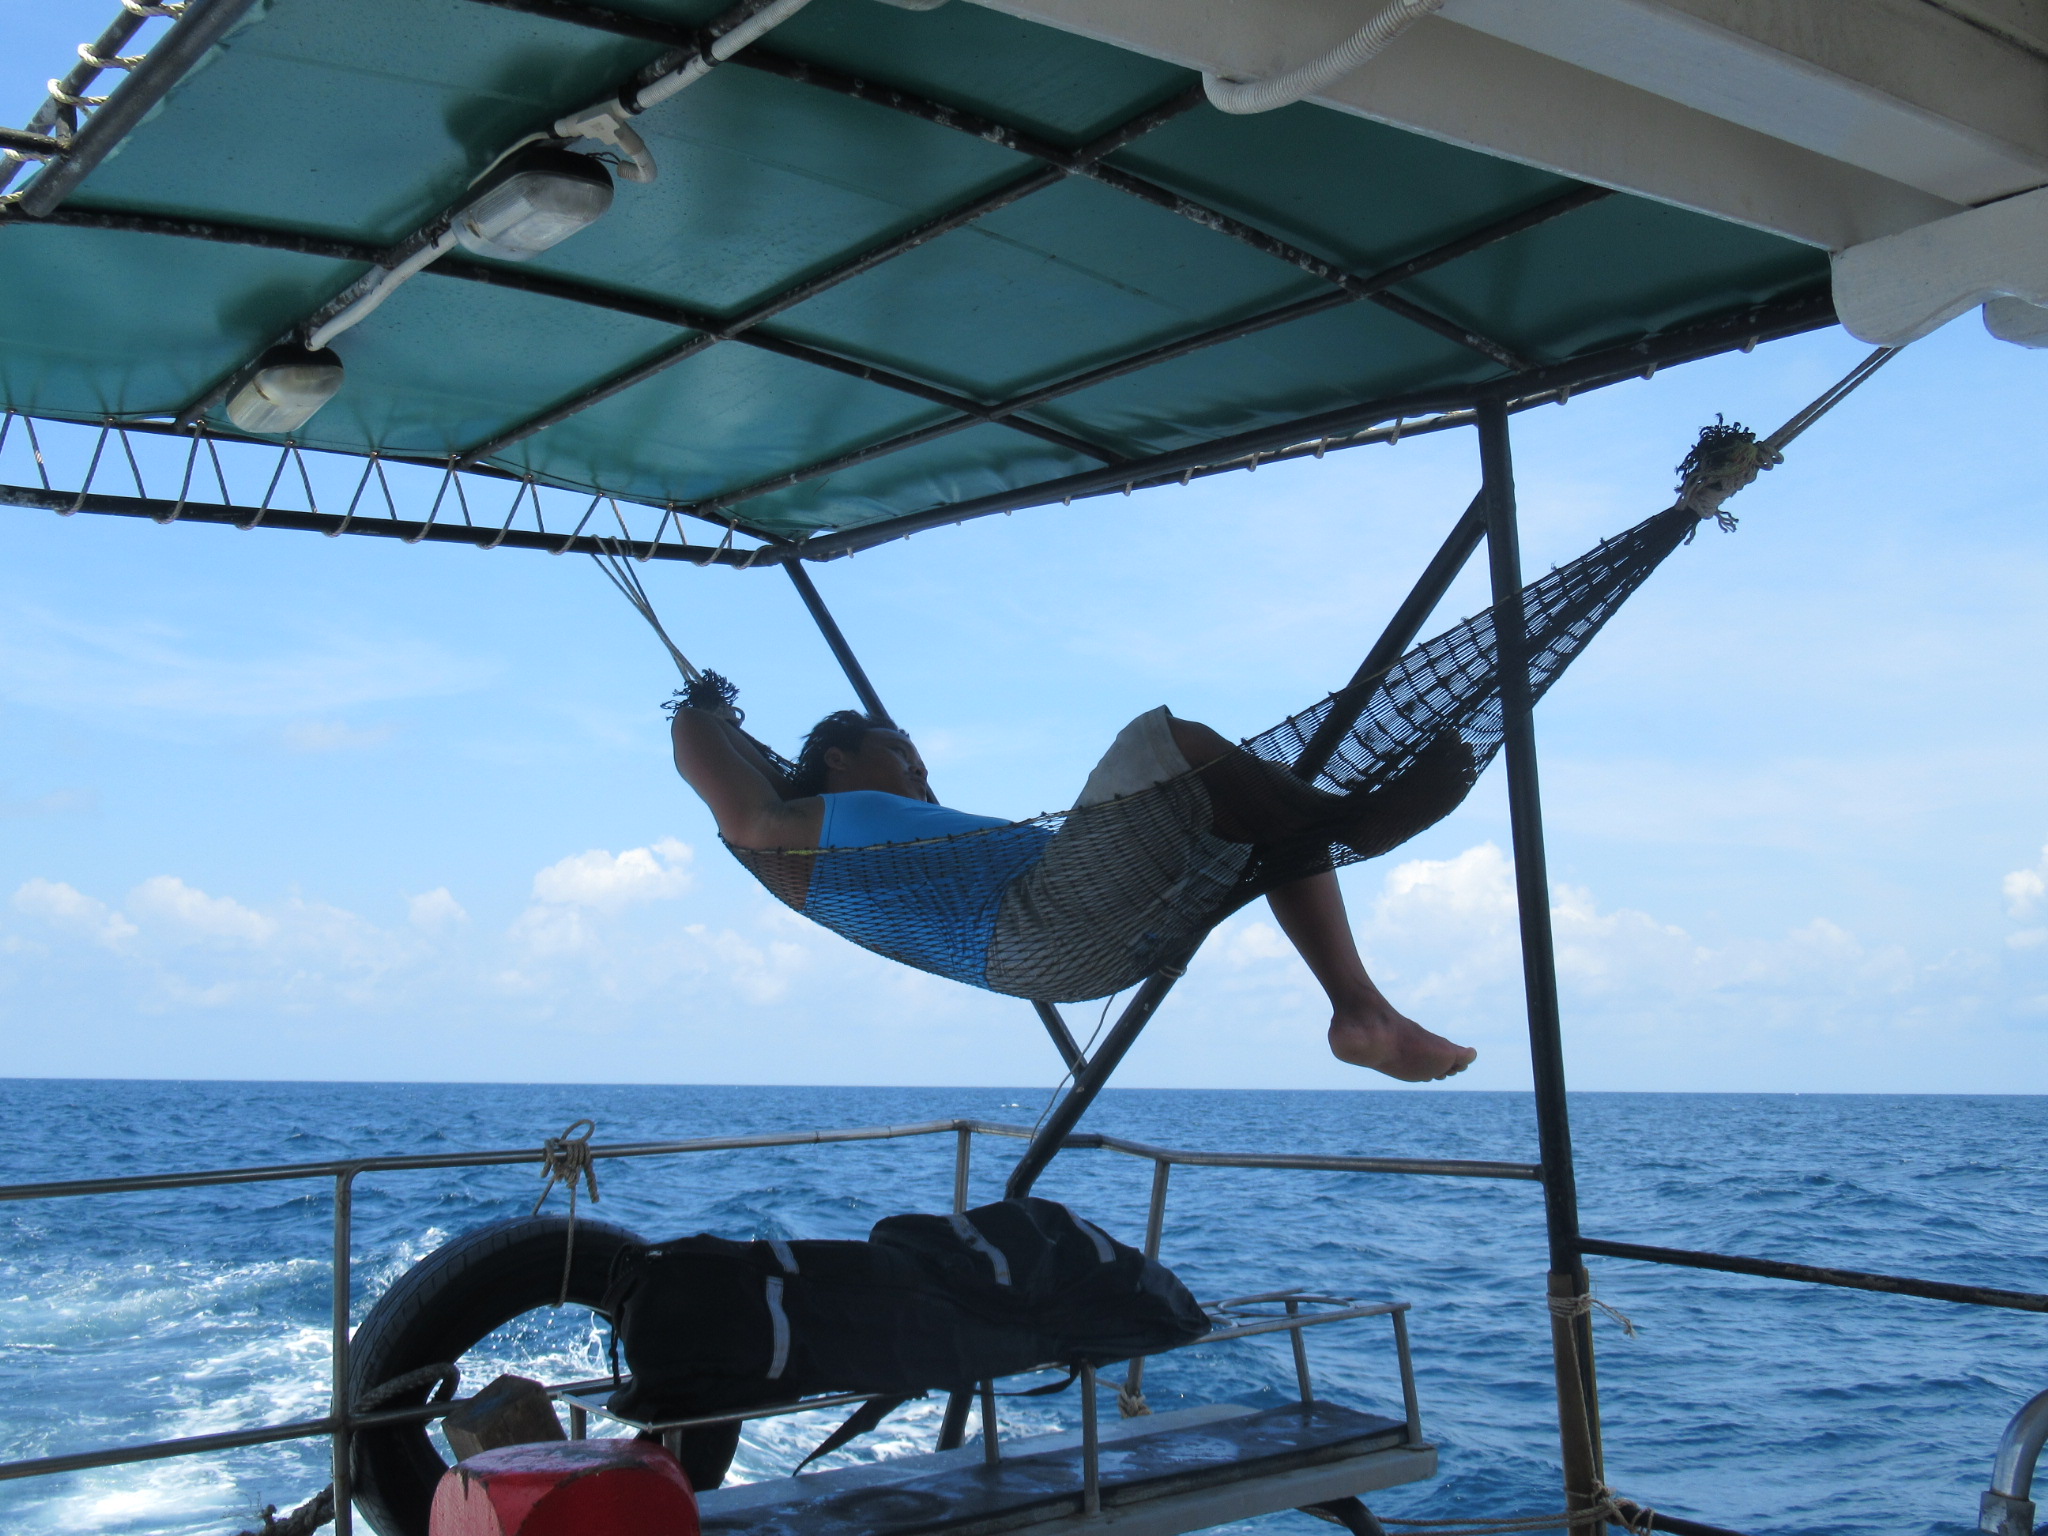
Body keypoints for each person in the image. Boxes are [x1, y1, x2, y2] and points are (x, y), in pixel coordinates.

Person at [672, 703, 1477, 1083]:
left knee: (1257, 819)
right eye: (902, 753)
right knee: (1162, 742)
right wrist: (702, 706)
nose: (920, 770)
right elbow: (737, 798)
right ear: (839, 760)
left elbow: (768, 769)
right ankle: (1350, 819)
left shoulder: (882, 835)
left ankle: (1362, 1011)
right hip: (1038, 927)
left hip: (1083, 936)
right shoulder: (804, 828)